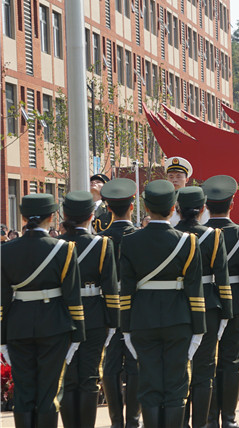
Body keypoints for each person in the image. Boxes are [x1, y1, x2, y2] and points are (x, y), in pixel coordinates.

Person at [118, 180, 206, 427]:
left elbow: (127, 291)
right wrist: (198, 329)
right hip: (179, 320)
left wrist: (126, 328)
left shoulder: (130, 241)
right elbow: (195, 291)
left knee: (149, 385)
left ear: (146, 208)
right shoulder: (187, 242)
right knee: (176, 387)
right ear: (173, 208)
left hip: (143, 320)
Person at [0, 193, 86, 428]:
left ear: (23, 216)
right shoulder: (65, 249)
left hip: (19, 324)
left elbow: (2, 299)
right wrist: (78, 335)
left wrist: (2, 338)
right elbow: (73, 297)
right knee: (49, 392)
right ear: (51, 216)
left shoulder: (5, 250)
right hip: (54, 325)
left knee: (24, 393)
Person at [57, 191, 119, 428]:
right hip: (93, 315)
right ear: (92, 216)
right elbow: (110, 289)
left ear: (64, 215)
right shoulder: (102, 244)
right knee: (90, 377)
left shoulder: (57, 246)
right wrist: (113, 322)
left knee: (68, 377)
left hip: (62, 315)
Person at [203, 175, 239, 428]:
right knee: (232, 360)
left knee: (205, 361)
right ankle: (228, 419)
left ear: (206, 205)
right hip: (235, 302)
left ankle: (208, 417)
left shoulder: (198, 236)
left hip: (205, 303)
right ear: (232, 204)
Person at [174, 187, 232, 428]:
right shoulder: (214, 236)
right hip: (208, 306)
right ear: (202, 209)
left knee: (178, 368)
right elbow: (223, 278)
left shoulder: (172, 234)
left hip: (176, 306)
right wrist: (227, 313)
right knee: (204, 369)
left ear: (177, 210)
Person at [100, 178, 141, 428]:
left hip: (108, 307)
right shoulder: (140, 237)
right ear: (132, 207)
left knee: (110, 365)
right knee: (135, 365)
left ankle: (116, 422)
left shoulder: (99, 239)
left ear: (109, 209)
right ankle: (133, 420)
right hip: (135, 306)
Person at [165, 156, 209, 226]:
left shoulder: (196, 200)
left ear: (187, 179)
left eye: (178, 176)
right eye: (171, 177)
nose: (174, 180)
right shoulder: (164, 201)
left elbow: (204, 226)